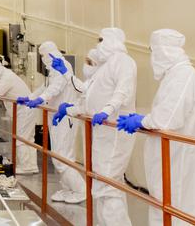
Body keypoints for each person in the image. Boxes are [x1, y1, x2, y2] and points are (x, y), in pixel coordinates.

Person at [117, 29, 195, 226]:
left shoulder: (184, 76)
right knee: (165, 208)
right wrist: (143, 120)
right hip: (171, 158)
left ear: (165, 51)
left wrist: (141, 121)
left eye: (154, 52)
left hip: (179, 160)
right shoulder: (175, 75)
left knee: (176, 210)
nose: (152, 58)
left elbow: (167, 119)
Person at [54, 28, 137, 226]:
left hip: (114, 132)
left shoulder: (123, 61)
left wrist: (107, 110)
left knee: (107, 186)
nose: (99, 44)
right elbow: (88, 100)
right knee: (102, 184)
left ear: (113, 40)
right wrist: (69, 110)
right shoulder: (104, 67)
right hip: (102, 133)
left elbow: (123, 90)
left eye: (101, 40)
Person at [18, 41, 84, 203]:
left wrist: (40, 99)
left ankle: (80, 190)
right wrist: (31, 97)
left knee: (62, 156)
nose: (42, 59)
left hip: (65, 117)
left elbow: (56, 88)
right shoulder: (53, 69)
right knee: (57, 156)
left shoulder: (63, 66)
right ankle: (68, 189)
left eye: (43, 55)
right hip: (55, 117)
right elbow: (45, 87)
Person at [0, 59, 37, 174]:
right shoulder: (3, 76)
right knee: (28, 138)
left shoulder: (7, 77)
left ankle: (26, 167)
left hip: (24, 111)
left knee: (21, 138)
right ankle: (32, 166)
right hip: (24, 110)